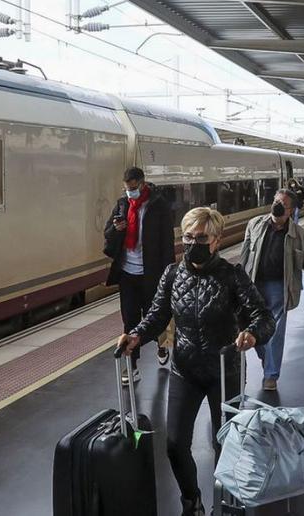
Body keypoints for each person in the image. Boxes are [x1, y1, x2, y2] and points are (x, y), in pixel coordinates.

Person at [116, 207, 274, 516]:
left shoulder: (232, 275)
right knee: (174, 445)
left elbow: (264, 317)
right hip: (184, 369)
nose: (193, 244)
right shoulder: (172, 274)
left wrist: (253, 334)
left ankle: (226, 502)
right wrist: (135, 336)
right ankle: (192, 501)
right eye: (188, 237)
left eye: (201, 237)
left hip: (223, 372)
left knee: (224, 446)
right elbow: (157, 316)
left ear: (216, 241)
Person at [238, 189, 304, 390]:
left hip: (280, 288)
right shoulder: (254, 225)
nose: (278, 205)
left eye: (283, 204)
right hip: (254, 285)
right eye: (276, 201)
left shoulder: (299, 236)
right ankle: (267, 360)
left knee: (274, 332)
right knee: (253, 328)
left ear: (291, 210)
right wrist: (236, 283)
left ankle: (271, 375)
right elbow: (244, 256)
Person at [104, 167, 175, 384]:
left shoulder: (158, 205)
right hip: (128, 273)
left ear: (142, 183)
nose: (130, 193)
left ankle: (162, 345)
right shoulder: (122, 204)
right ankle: (132, 365)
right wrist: (117, 229)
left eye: (133, 188)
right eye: (127, 189)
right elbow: (107, 238)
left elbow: (167, 242)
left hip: (151, 273)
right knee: (130, 320)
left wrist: (169, 273)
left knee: (156, 315)